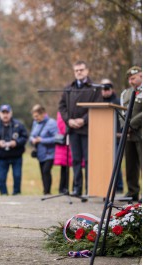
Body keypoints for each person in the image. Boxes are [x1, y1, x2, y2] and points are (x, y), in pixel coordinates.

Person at [58, 61, 102, 196]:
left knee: (89, 160)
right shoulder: (68, 88)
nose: (79, 72)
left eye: (81, 70)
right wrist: (69, 120)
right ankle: (77, 188)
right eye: (76, 70)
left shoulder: (95, 88)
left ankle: (90, 189)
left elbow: (98, 106)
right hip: (72, 130)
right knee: (76, 160)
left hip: (88, 129)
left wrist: (84, 120)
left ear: (87, 71)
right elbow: (62, 107)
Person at [0, 104, 28, 195]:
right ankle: (3, 194)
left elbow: (25, 137)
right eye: (3, 113)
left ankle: (16, 193)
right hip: (1, 156)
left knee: (17, 176)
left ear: (11, 113)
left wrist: (16, 142)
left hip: (16, 155)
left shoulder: (18, 124)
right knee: (1, 177)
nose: (5, 115)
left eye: (7, 112)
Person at [120, 66, 142, 201]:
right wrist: (124, 126)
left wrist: (131, 124)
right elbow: (121, 111)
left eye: (133, 78)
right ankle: (132, 191)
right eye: (129, 79)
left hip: (140, 132)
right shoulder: (125, 93)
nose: (131, 81)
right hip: (128, 134)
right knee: (130, 163)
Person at [100, 78, 124, 193]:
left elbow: (122, 119)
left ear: (112, 89)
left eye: (107, 88)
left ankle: (119, 187)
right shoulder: (98, 103)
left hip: (116, 136)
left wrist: (121, 132)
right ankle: (103, 186)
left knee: (115, 161)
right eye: (102, 89)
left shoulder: (118, 102)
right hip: (102, 137)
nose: (104, 91)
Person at [29, 105, 58, 195]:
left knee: (46, 171)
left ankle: (47, 191)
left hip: (50, 153)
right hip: (40, 153)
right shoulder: (35, 123)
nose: (35, 118)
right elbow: (32, 135)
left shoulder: (52, 123)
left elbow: (57, 138)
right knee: (42, 172)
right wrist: (33, 140)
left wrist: (42, 140)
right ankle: (45, 190)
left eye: (37, 116)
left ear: (43, 114)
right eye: (34, 116)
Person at [53, 112, 73, 194]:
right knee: (65, 168)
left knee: (71, 167)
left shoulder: (61, 113)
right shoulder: (62, 113)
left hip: (69, 142)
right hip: (65, 143)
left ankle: (72, 188)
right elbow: (61, 127)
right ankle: (64, 188)